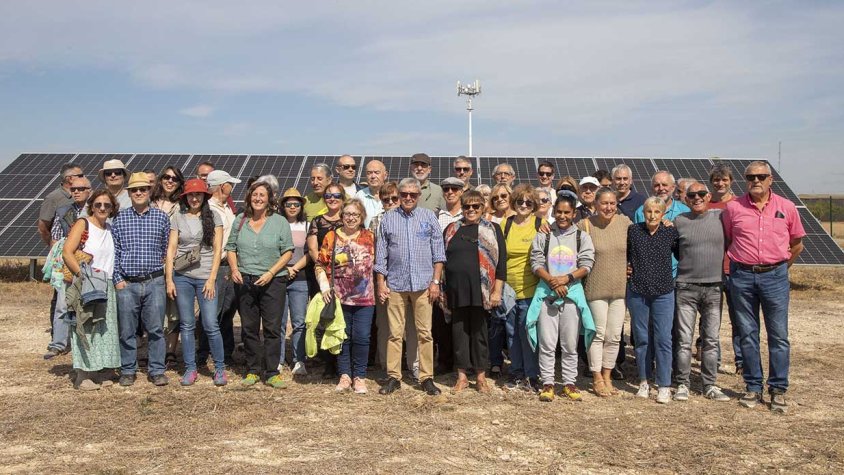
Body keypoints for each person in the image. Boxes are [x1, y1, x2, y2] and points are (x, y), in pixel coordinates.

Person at [722, 161, 805, 413]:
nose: (755, 180)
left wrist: (779, 269)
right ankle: (753, 386)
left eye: (761, 176)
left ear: (771, 180)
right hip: (742, 277)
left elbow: (797, 244)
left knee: (778, 335)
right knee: (747, 334)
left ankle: (778, 389)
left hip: (775, 276)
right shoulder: (733, 208)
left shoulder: (787, 207)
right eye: (750, 176)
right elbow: (729, 239)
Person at [374, 178, 445, 396]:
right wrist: (380, 283)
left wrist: (435, 282)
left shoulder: (428, 218)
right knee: (395, 334)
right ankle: (394, 377)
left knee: (425, 333)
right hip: (395, 284)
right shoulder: (388, 219)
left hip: (423, 285)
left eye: (412, 195)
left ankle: (426, 377)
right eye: (404, 194)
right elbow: (381, 255)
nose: (407, 198)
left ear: (418, 196)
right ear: (399, 194)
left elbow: (438, 254)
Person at [226, 181, 294, 388]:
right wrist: (235, 269)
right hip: (245, 280)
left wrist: (271, 272)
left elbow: (288, 251)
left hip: (273, 281)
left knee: (273, 328)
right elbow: (230, 248)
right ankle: (253, 369)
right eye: (254, 194)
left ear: (269, 199)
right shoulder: (240, 220)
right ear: (248, 197)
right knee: (249, 328)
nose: (258, 198)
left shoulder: (280, 221)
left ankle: (272, 372)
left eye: (262, 195)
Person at [530, 191, 595, 402]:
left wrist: (566, 279)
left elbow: (586, 264)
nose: (563, 216)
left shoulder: (581, 237)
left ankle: (569, 382)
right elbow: (536, 262)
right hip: (547, 294)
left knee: (569, 343)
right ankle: (547, 382)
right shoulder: (544, 234)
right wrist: (551, 281)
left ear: (574, 213)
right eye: (559, 211)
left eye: (567, 212)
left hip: (571, 295)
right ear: (553, 211)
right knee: (547, 343)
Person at [165, 178, 227, 386]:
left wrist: (211, 278)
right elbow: (172, 249)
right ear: (185, 197)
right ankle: (190, 368)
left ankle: (219, 368)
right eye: (190, 195)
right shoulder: (178, 218)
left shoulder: (214, 217)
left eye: (198, 194)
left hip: (205, 278)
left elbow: (218, 250)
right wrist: (169, 279)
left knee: (210, 324)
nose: (194, 198)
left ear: (204, 197)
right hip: (182, 277)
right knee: (187, 324)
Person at [443, 190, 506, 393]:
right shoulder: (452, 229)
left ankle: (480, 377)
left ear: (483, 207)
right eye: (467, 206)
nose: (471, 210)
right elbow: (442, 260)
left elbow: (501, 264)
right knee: (459, 334)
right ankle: (461, 377)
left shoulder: (493, 229)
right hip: (456, 289)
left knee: (480, 334)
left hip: (482, 290)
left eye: (475, 206)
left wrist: (497, 291)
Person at [672, 183, 730, 402]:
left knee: (711, 340)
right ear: (685, 199)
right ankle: (683, 384)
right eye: (691, 195)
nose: (697, 198)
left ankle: (710, 385)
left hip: (714, 287)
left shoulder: (721, 218)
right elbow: (674, 249)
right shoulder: (679, 222)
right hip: (686, 288)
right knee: (684, 340)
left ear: (708, 196)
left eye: (701, 194)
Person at [112, 172, 171, 387]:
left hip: (154, 281)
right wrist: (118, 279)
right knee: (127, 330)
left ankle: (156, 370)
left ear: (149, 191)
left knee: (155, 330)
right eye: (134, 190)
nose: (138, 193)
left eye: (143, 189)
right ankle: (128, 369)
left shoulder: (162, 218)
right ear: (129, 193)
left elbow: (167, 250)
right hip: (127, 283)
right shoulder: (119, 219)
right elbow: (114, 252)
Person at [62, 189, 121, 390]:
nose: (103, 208)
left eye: (107, 205)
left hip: (107, 284)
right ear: (92, 206)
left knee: (102, 329)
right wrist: (83, 275)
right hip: (87, 283)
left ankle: (98, 371)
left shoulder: (110, 228)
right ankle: (82, 375)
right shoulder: (83, 224)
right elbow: (67, 253)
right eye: (98, 205)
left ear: (112, 208)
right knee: (85, 326)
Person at [316, 199, 376, 394]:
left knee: (362, 336)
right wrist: (325, 288)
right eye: (347, 214)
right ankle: (344, 375)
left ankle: (359, 375)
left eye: (355, 215)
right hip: (339, 297)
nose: (351, 218)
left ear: (362, 218)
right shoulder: (331, 237)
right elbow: (320, 264)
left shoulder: (370, 237)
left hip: (365, 297)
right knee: (342, 336)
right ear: (342, 216)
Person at [577, 187, 631, 397]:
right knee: (597, 334)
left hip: (619, 289)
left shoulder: (625, 223)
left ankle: (608, 375)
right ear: (596, 204)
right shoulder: (585, 225)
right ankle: (597, 376)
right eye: (604, 203)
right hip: (595, 288)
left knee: (614, 336)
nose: (608, 207)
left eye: (612, 203)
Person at [627, 196, 679, 404]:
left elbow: (681, 254)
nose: (652, 215)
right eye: (649, 211)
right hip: (638, 291)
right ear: (643, 212)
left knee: (663, 339)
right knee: (642, 338)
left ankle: (664, 384)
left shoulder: (670, 232)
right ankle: (644, 381)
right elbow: (625, 256)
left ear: (663, 214)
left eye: (657, 212)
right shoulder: (634, 231)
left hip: (664, 291)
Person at [370, 182, 418, 377]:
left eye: (393, 198)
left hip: (410, 279)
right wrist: (381, 280)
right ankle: (387, 365)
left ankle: (413, 364)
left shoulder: (412, 217)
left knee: (412, 325)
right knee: (385, 324)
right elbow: (375, 251)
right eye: (385, 199)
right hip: (384, 278)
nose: (390, 202)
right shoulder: (376, 221)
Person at [501, 184, 544, 392]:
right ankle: (516, 373)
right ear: (514, 203)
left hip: (531, 289)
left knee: (527, 332)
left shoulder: (540, 224)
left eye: (528, 202)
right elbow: (499, 257)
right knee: (511, 333)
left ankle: (532, 375)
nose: (524, 205)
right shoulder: (505, 225)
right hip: (508, 289)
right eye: (520, 201)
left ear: (534, 204)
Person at [43, 176, 91, 360]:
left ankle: (85, 342)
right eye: (73, 189)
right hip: (67, 263)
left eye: (81, 188)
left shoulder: (97, 209)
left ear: (89, 190)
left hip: (90, 262)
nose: (76, 192)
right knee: (63, 304)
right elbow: (55, 238)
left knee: (89, 303)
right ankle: (58, 343)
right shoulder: (63, 211)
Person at [200, 170, 242, 365]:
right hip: (213, 266)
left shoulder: (227, 208)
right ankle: (203, 351)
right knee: (211, 311)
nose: (232, 188)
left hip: (229, 264)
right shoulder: (206, 208)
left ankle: (226, 352)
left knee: (227, 310)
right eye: (229, 184)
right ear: (221, 186)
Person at [306, 182, 346, 377]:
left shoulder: (350, 219)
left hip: (346, 278)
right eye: (329, 195)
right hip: (322, 276)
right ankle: (329, 363)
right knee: (326, 317)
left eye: (337, 196)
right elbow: (313, 249)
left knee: (343, 319)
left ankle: (343, 362)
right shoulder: (317, 221)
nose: (332, 199)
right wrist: (324, 268)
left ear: (343, 198)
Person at [707, 162, 740, 372]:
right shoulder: (705, 204)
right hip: (710, 270)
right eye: (716, 180)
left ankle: (742, 362)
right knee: (712, 320)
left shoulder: (739, 204)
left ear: (731, 181)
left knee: (739, 319)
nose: (720, 183)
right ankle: (713, 360)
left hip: (735, 269)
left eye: (724, 180)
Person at [150, 165, 185, 367]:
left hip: (175, 263)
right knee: (153, 309)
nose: (170, 181)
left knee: (173, 310)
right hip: (152, 264)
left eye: (175, 178)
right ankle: (155, 349)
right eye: (166, 177)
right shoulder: (149, 202)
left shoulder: (183, 205)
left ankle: (171, 351)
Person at [433, 177, 465, 373]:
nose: (450, 192)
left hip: (462, 273)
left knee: (460, 321)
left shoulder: (469, 213)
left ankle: (461, 361)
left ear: (461, 191)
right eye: (446, 189)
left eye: (454, 188)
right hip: (442, 273)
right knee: (440, 322)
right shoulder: (436, 216)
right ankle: (444, 360)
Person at [279, 188, 310, 375]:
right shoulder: (276, 224)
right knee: (279, 322)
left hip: (300, 278)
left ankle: (299, 360)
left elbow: (309, 253)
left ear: (301, 206)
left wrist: (294, 268)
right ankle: (278, 359)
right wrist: (284, 269)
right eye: (288, 204)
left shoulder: (306, 225)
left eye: (296, 204)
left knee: (299, 321)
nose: (292, 207)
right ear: (283, 206)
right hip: (278, 276)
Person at [39, 162, 82, 246]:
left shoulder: (84, 195)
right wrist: (54, 246)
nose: (84, 178)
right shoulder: (53, 198)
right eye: (80, 176)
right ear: (70, 179)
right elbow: (43, 228)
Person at [354, 159, 388, 228]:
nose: (373, 176)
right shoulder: (359, 196)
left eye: (377, 172)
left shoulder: (394, 196)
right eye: (369, 173)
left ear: (385, 175)